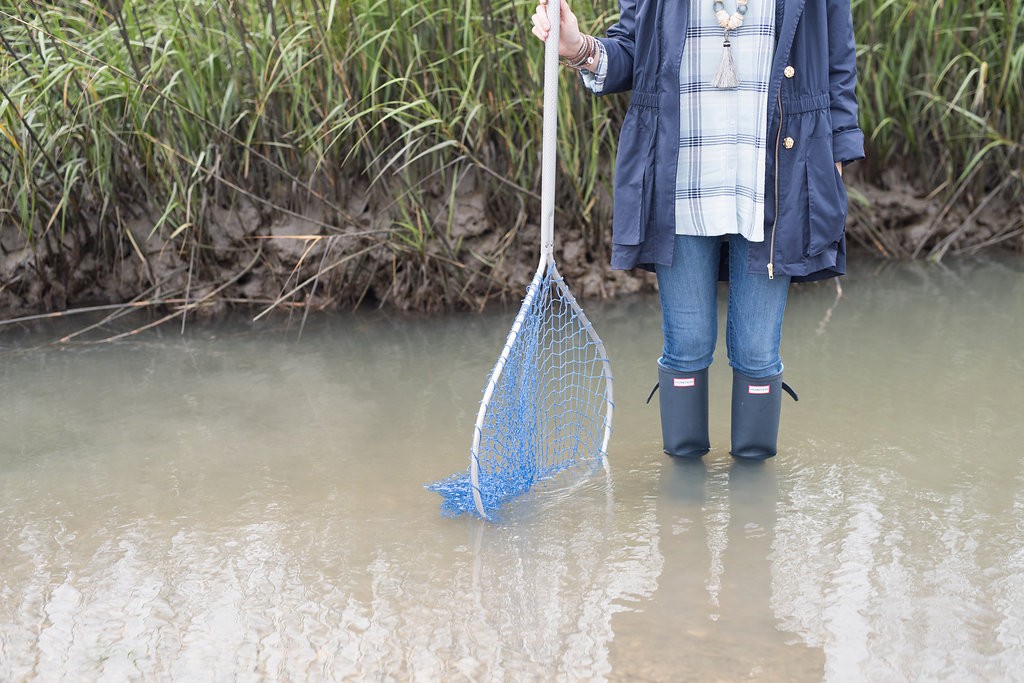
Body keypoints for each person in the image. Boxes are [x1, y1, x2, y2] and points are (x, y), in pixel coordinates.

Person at [531, 0, 863, 460]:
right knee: (685, 345)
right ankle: (684, 501)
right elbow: (630, 53)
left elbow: (838, 66)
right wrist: (576, 47)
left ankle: (752, 502)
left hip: (772, 182)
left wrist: (839, 153)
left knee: (757, 351)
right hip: (682, 182)